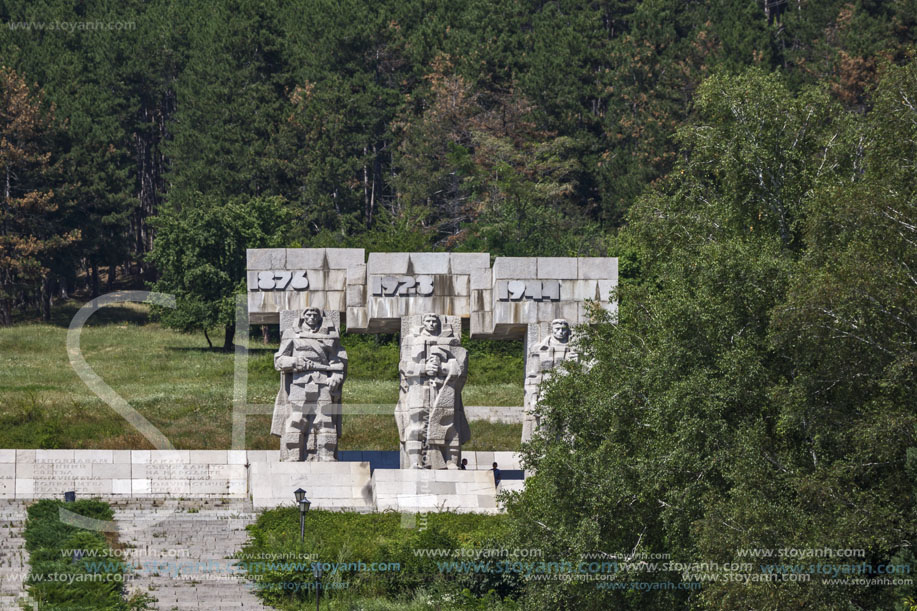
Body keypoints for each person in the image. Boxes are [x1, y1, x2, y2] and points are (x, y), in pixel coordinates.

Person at [395, 313, 470, 469]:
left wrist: (442, 368)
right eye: (428, 321)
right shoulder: (412, 340)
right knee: (416, 425)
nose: (431, 324)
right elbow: (405, 367)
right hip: (419, 391)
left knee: (450, 425)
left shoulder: (451, 342)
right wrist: (424, 368)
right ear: (423, 323)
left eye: (434, 321)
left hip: (444, 390)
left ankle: (451, 461)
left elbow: (460, 366)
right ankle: (415, 461)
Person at [271, 308, 347, 461]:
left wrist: (336, 378)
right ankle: (293, 456)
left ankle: (327, 456)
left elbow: (338, 362)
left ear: (320, 317)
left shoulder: (329, 336)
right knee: (296, 419)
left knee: (325, 419)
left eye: (315, 315)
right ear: (302, 316)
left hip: (323, 383)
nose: (312, 318)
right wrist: (294, 361)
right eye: (308, 315)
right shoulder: (291, 334)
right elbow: (279, 360)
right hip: (300, 383)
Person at [522, 319, 577, 443]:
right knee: (546, 423)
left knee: (569, 425)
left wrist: (579, 363)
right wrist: (533, 399)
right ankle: (545, 451)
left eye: (563, 329)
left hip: (569, 391)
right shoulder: (540, 348)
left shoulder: (575, 348)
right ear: (552, 330)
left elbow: (586, 374)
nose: (560, 332)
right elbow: (533, 376)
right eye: (557, 329)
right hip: (547, 392)